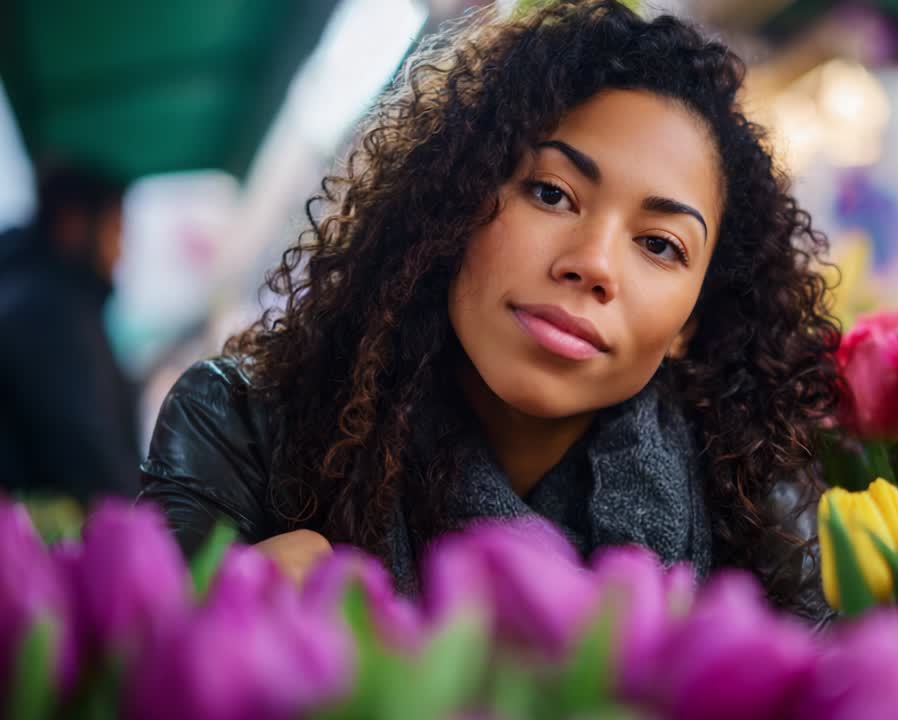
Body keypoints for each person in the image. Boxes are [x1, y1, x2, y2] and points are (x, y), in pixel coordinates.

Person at [140, 0, 841, 624]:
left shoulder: (758, 514)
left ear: (694, 318)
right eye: (551, 194)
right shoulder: (238, 429)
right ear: (454, 209)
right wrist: (222, 621)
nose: (593, 263)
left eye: (659, 245)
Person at [0, 162, 140, 503]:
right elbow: (86, 450)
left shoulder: (35, 296)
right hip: (53, 542)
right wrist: (140, 531)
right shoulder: (49, 310)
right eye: (116, 231)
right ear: (74, 222)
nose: (120, 252)